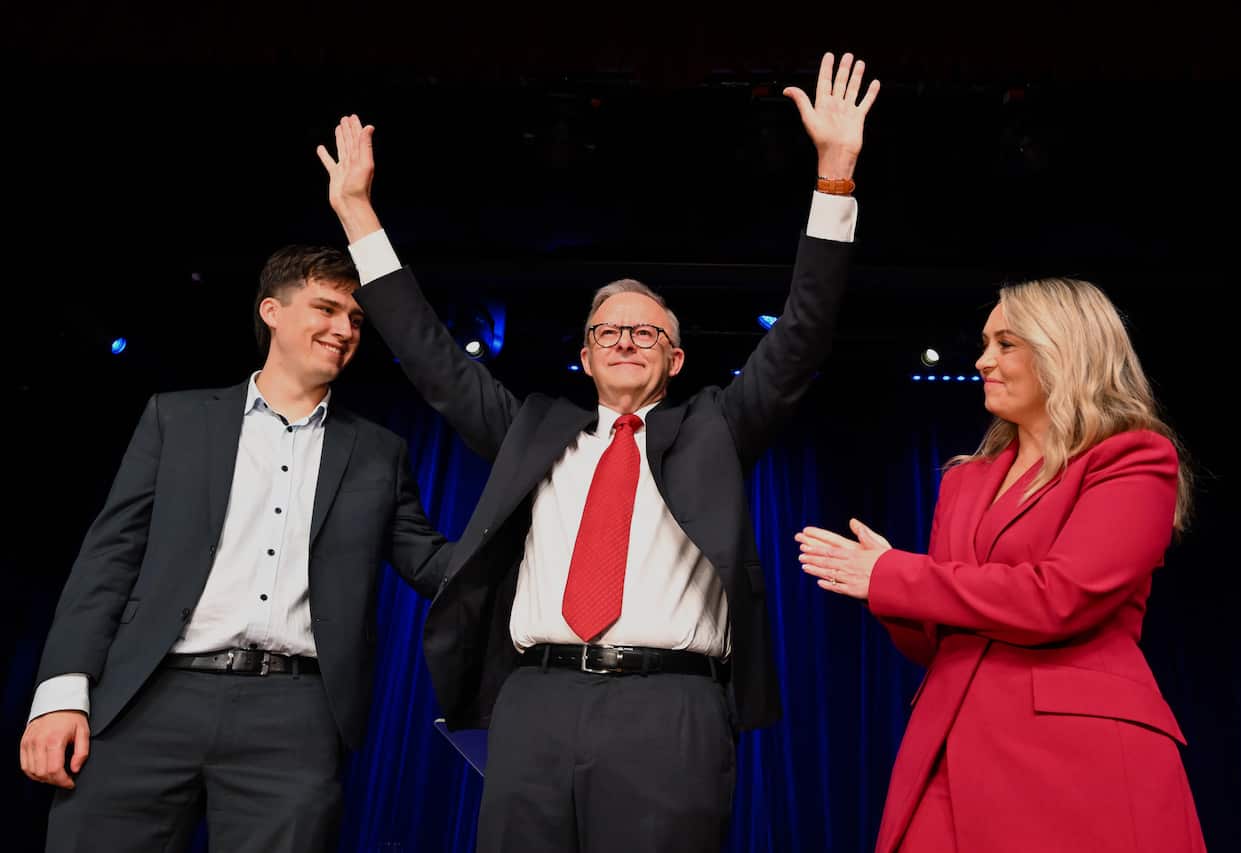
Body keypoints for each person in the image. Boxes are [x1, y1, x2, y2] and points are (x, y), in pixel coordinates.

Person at [316, 51, 878, 853]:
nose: (625, 338)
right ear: (582, 354)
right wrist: (358, 217)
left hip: (672, 710)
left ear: (676, 360)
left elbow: (802, 334)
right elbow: (432, 356)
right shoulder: (532, 429)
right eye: (607, 329)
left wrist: (834, 177)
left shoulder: (717, 426)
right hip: (535, 701)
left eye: (647, 330)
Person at [19, 245, 453, 853]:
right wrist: (60, 697)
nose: (344, 329)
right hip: (147, 697)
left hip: (294, 715)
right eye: (326, 309)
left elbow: (432, 563)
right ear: (272, 311)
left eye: (355, 319)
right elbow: (108, 560)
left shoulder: (380, 452)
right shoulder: (178, 418)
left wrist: (538, 548)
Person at [796, 277, 1206, 852]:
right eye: (986, 344)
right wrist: (881, 586)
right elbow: (937, 641)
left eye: (1006, 344)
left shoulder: (1132, 456)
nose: (984, 360)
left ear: (1064, 349)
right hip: (949, 742)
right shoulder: (965, 479)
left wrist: (896, 576)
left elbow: (1059, 597)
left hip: (1078, 755)